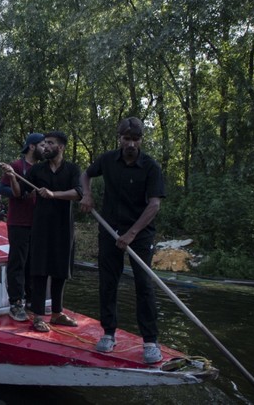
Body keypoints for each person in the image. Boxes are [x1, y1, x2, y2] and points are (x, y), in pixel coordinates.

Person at [79, 117, 166, 364]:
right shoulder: (107, 160)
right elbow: (86, 174)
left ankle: (150, 341)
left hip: (140, 232)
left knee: (144, 284)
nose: (130, 144)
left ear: (141, 140)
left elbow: (154, 205)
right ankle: (108, 334)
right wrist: (87, 194)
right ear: (120, 138)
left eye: (135, 139)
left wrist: (131, 234)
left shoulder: (150, 167)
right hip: (110, 228)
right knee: (108, 282)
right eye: (126, 139)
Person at [23, 130, 82, 332]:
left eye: (50, 143)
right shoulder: (37, 170)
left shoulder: (72, 169)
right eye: (45, 143)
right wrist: (11, 176)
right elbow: (22, 191)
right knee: (39, 270)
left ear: (61, 147)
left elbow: (78, 193)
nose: (46, 146)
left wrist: (53, 194)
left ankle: (57, 313)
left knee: (60, 270)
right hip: (41, 227)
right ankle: (38, 316)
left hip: (63, 227)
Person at [0, 132, 45, 321]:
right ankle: (15, 302)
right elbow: (2, 189)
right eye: (42, 145)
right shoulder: (16, 166)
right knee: (17, 262)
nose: (45, 148)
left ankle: (31, 300)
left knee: (33, 263)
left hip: (37, 223)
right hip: (18, 222)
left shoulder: (42, 169)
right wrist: (21, 194)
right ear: (32, 146)